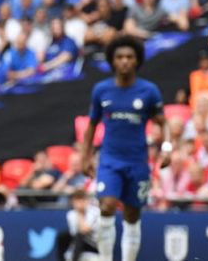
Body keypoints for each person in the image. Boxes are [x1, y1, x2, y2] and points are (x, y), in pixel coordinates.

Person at [80, 36, 173, 261]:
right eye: (119, 57)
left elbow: (163, 123)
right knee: (107, 205)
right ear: (112, 61)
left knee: (132, 215)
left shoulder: (149, 91)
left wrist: (167, 147)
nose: (124, 61)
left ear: (137, 60)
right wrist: (86, 157)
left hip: (137, 162)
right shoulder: (101, 90)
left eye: (129, 57)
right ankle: (105, 258)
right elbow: (91, 126)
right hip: (110, 160)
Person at [55, 189, 100, 261]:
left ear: (87, 200)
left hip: (95, 245)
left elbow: (84, 230)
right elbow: (74, 234)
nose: (80, 203)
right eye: (77, 200)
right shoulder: (71, 214)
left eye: (82, 199)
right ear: (73, 202)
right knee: (62, 236)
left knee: (80, 235)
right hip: (81, 244)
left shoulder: (95, 212)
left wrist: (80, 213)